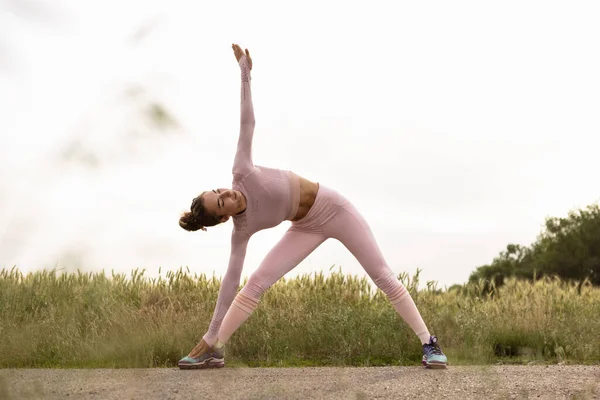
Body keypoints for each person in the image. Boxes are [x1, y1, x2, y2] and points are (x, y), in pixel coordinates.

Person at [177, 43, 448, 370]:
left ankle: (429, 344)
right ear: (222, 218)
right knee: (255, 283)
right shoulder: (241, 230)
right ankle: (214, 347)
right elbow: (230, 284)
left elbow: (247, 123)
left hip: (333, 209)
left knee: (382, 275)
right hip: (304, 228)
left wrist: (245, 73)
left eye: (220, 190)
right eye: (222, 201)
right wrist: (211, 331)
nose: (228, 193)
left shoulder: (242, 171)